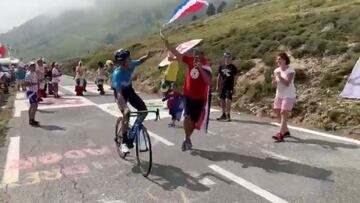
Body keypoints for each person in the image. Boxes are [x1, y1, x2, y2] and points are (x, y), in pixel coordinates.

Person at [161, 34, 212, 151]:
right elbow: (178, 54)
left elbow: (208, 82)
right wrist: (168, 45)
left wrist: (200, 68)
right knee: (187, 117)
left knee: (193, 122)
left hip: (199, 98)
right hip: (187, 95)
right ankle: (187, 139)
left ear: (202, 55)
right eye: (194, 53)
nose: (195, 56)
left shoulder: (206, 65)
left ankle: (187, 138)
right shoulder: (190, 60)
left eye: (197, 54)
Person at [112, 48, 154, 154]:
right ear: (122, 62)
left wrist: (148, 56)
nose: (130, 60)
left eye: (130, 58)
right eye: (128, 59)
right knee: (127, 113)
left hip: (129, 90)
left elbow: (140, 60)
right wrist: (125, 108)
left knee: (144, 110)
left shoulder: (131, 64)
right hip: (120, 93)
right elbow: (119, 94)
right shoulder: (117, 74)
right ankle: (124, 142)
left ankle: (135, 129)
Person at [271, 52, 296, 142]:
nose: (278, 61)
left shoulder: (291, 70)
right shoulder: (276, 70)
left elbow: (287, 83)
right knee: (277, 111)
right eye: (277, 59)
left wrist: (280, 77)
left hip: (289, 94)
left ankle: (280, 134)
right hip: (279, 94)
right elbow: (275, 84)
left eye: (280, 59)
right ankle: (286, 131)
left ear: (285, 60)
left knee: (283, 113)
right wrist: (274, 81)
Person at [216, 52, 237, 122]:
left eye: (228, 57)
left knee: (228, 100)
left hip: (229, 86)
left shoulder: (233, 67)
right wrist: (217, 86)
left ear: (231, 58)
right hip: (222, 86)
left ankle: (228, 114)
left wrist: (234, 87)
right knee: (222, 100)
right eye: (225, 57)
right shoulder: (221, 67)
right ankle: (223, 114)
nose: (227, 59)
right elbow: (218, 77)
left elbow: (235, 78)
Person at [25, 62, 40, 127]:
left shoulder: (35, 73)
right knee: (34, 106)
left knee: (33, 106)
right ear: (29, 67)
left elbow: (36, 82)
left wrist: (38, 90)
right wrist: (35, 84)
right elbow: (26, 84)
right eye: (32, 66)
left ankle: (31, 119)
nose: (34, 67)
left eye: (34, 66)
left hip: (34, 91)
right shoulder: (28, 74)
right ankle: (31, 120)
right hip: (31, 91)